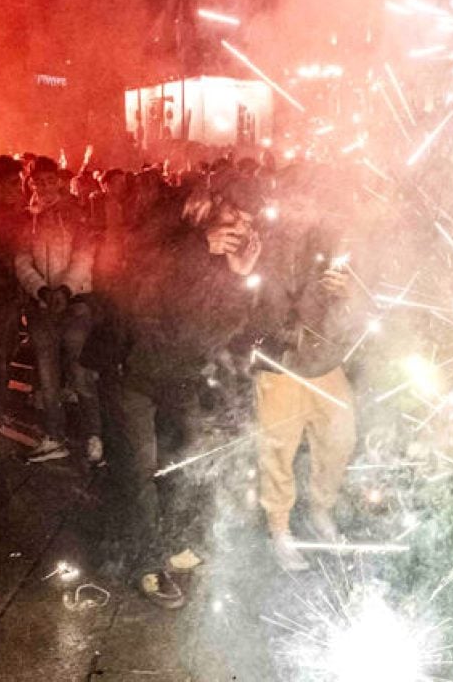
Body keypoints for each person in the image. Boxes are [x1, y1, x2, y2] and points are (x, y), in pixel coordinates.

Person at [108, 170, 263, 608]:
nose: (240, 229)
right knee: (140, 468)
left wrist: (238, 277)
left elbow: (224, 329)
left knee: (187, 460)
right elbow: (137, 289)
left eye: (250, 224)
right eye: (235, 215)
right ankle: (145, 563)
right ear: (213, 203)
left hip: (180, 374)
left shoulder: (223, 256)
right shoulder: (168, 226)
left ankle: (171, 543)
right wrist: (198, 247)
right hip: (132, 370)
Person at [249, 163, 364, 572]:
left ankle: (320, 510)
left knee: (339, 438)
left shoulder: (334, 243)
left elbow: (361, 307)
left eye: (312, 198)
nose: (305, 208)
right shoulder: (260, 241)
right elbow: (244, 299)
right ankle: (279, 528)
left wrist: (349, 295)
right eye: (298, 198)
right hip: (279, 366)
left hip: (325, 362)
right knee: (277, 450)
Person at [14, 157, 102, 464]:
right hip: (42, 305)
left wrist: (65, 289)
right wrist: (40, 289)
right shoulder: (30, 219)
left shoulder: (77, 215)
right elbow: (22, 260)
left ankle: (95, 435)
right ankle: (54, 436)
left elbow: (84, 256)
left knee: (80, 373)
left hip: (75, 302)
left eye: (50, 180)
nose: (45, 187)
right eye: (39, 182)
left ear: (60, 181)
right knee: (48, 376)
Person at [0, 156, 25, 424]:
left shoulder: (19, 217)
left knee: (2, 357)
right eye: (12, 183)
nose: (18, 189)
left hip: (8, 301)